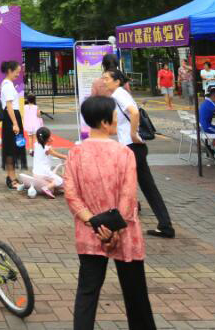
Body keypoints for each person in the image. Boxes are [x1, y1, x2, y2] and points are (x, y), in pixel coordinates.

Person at [65, 95, 157, 330]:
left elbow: (71, 193)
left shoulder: (75, 153)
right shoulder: (124, 153)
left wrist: (94, 222)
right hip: (124, 232)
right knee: (136, 294)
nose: (117, 120)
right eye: (115, 116)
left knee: (87, 294)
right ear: (105, 122)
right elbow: (128, 196)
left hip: (89, 231)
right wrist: (113, 228)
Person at [93, 69, 174, 238]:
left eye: (106, 78)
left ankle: (113, 224)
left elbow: (135, 112)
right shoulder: (119, 94)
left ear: (117, 81)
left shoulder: (119, 94)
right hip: (134, 147)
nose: (104, 81)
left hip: (132, 147)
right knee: (148, 187)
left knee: (119, 183)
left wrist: (132, 134)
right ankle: (165, 226)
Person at [0, 60, 27, 189]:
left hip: (12, 118)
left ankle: (12, 177)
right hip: (11, 119)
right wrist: (15, 123)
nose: (18, 74)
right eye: (16, 72)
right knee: (11, 149)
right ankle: (11, 179)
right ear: (10, 71)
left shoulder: (8, 84)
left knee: (14, 148)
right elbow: (9, 106)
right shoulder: (7, 86)